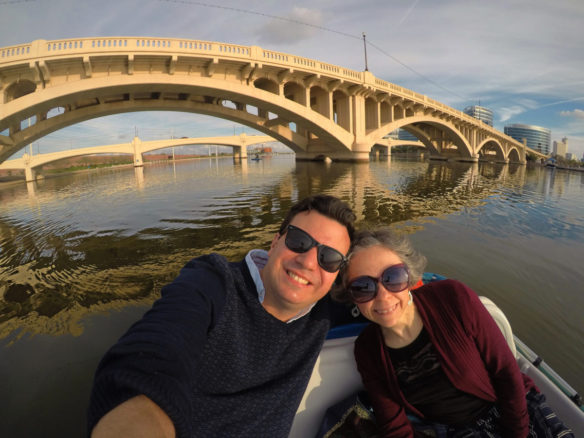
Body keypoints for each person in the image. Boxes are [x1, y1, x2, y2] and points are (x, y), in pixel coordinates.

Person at [87, 194, 357, 437]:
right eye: (299, 241)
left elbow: (387, 298)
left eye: (329, 258)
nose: (308, 261)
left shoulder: (325, 309)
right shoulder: (213, 282)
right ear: (275, 242)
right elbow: (153, 355)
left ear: (336, 275)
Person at [333, 228, 574, 438]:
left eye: (393, 278)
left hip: (512, 408)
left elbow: (506, 373)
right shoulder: (367, 350)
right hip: (455, 431)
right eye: (363, 287)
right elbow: (393, 424)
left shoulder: (453, 298)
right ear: (351, 297)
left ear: (409, 276)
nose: (383, 296)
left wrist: (517, 434)